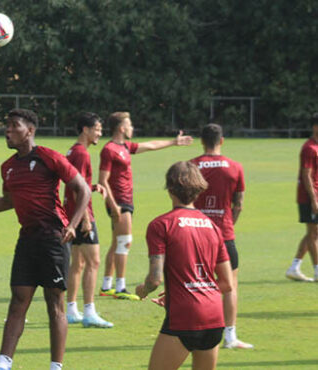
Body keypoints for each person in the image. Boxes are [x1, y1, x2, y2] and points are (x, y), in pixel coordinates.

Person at [0, 109, 91, 370]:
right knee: (18, 300)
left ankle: (56, 366)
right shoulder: (8, 167)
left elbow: (83, 189)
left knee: (55, 304)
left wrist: (73, 223)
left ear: (30, 131)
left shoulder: (49, 157)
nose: (8, 131)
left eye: (14, 126)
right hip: (27, 240)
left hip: (53, 239)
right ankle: (3, 365)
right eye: (7, 126)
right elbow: (8, 201)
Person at [135, 161, 233, 370]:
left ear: (170, 189)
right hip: (214, 316)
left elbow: (155, 279)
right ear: (198, 189)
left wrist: (142, 291)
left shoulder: (161, 225)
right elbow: (227, 283)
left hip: (185, 316)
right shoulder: (213, 227)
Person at [98, 112, 193, 300]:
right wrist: (114, 205)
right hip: (120, 201)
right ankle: (120, 288)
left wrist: (174, 142)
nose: (132, 128)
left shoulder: (125, 146)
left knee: (117, 242)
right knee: (125, 242)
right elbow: (102, 180)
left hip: (125, 201)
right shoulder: (109, 149)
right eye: (130, 124)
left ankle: (107, 285)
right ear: (121, 128)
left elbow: (149, 145)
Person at [190, 123, 252, 349]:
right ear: (222, 140)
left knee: (195, 283)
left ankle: (195, 330)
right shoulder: (235, 167)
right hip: (224, 234)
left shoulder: (191, 166)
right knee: (230, 285)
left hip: (196, 233)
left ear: (202, 141)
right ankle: (230, 336)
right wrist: (227, 224)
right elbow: (239, 204)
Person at [63, 112, 113, 328]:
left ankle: (71, 310)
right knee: (93, 262)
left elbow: (75, 182)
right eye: (97, 129)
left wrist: (93, 187)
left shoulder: (73, 150)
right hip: (81, 214)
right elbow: (76, 189)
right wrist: (85, 218)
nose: (100, 134)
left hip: (69, 213)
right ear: (85, 129)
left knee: (78, 263)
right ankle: (90, 312)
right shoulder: (82, 154)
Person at [286, 112, 318, 282]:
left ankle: (295, 267)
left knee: (314, 232)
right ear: (315, 127)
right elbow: (306, 176)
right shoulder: (309, 148)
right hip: (309, 197)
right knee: (313, 233)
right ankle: (317, 270)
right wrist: (314, 200)